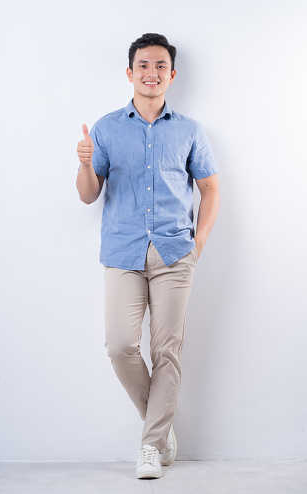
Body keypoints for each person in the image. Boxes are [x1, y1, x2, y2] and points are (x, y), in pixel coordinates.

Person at [76, 33, 220, 479]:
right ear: (130, 73)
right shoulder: (104, 128)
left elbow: (210, 187)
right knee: (120, 346)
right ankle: (160, 430)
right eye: (143, 65)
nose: (151, 73)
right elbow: (88, 196)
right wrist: (84, 163)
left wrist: (199, 242)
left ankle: (150, 448)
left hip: (176, 253)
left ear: (171, 75)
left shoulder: (189, 131)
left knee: (167, 350)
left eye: (160, 66)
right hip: (122, 251)